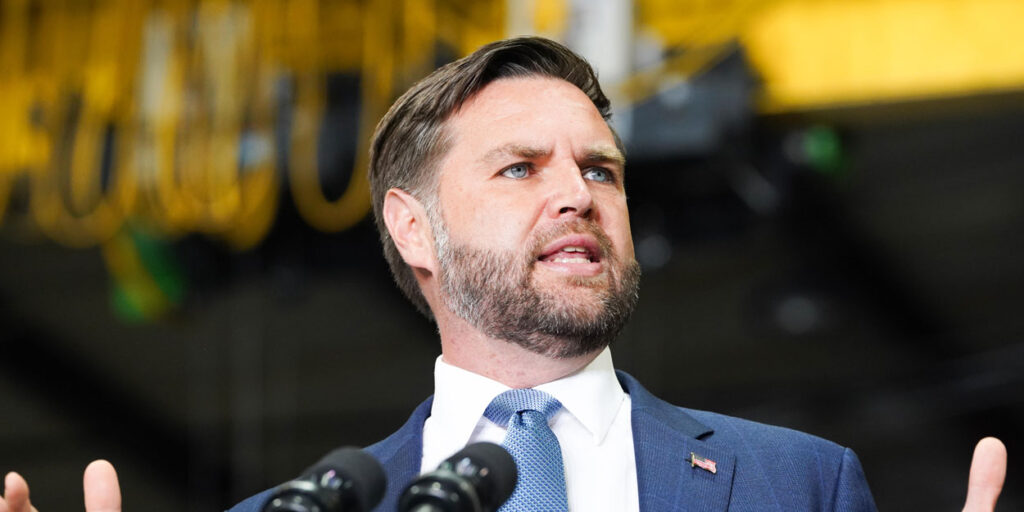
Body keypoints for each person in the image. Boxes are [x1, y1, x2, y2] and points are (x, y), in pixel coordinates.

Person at [0, 37, 1008, 512]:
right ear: (413, 230)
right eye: (520, 167)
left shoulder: (801, 482)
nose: (577, 192)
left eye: (599, 168)